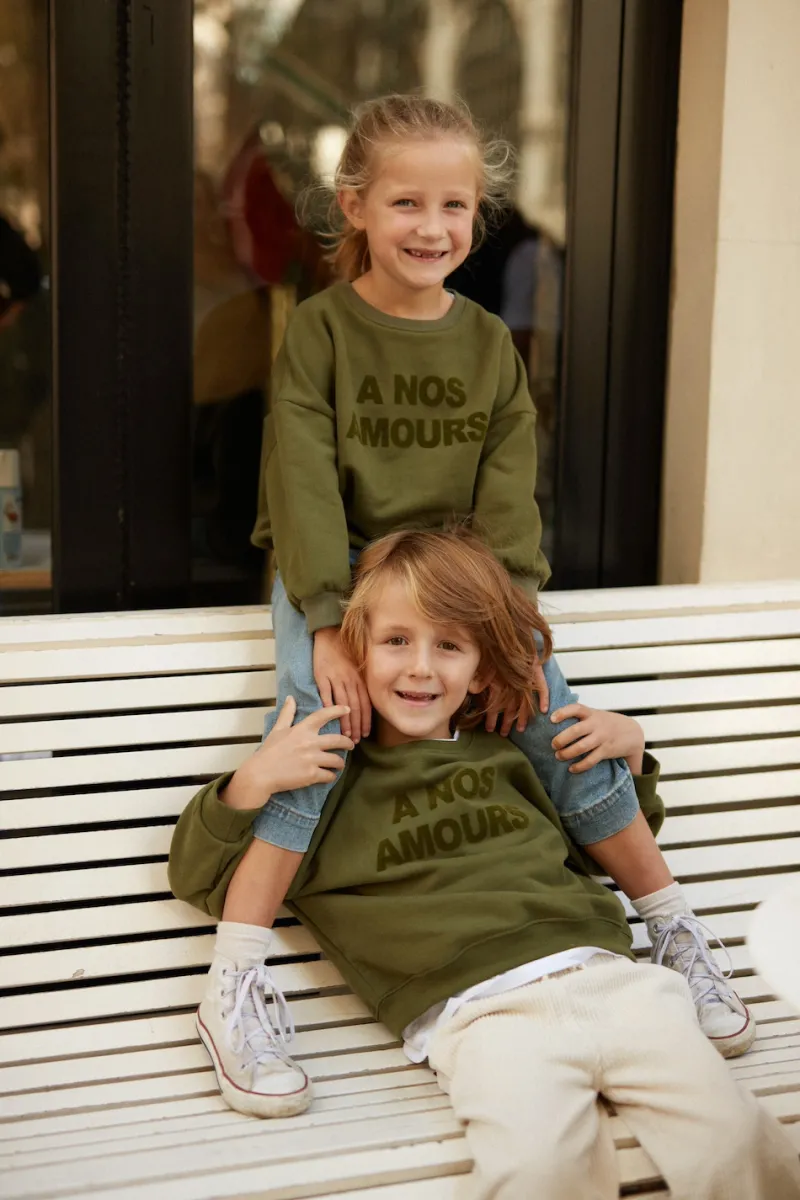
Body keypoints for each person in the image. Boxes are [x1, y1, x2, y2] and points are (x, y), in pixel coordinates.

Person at [223, 93, 753, 1112]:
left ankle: (671, 923)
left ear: (477, 214)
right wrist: (327, 623)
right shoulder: (321, 331)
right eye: (406, 203)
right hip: (338, 575)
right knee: (316, 735)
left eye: (454, 206)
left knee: (555, 720)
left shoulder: (488, 344)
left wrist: (508, 631)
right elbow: (299, 482)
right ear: (355, 208)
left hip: (461, 587)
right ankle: (235, 982)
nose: (432, 227)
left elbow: (509, 501)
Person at [169, 529, 800, 1198]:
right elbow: (200, 879)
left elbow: (593, 854)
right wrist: (252, 782)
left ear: (479, 666)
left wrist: (633, 754)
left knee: (735, 1140)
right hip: (479, 1019)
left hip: (618, 982)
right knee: (535, 1171)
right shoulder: (325, 789)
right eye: (396, 640)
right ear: (355, 651)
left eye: (449, 645)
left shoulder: (504, 751)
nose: (421, 668)